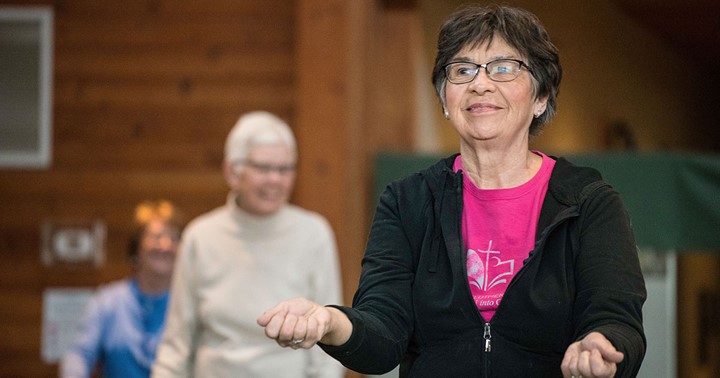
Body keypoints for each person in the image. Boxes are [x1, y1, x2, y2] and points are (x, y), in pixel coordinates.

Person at [257, 4, 646, 378]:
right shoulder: (408, 201)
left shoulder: (589, 203)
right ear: (445, 100)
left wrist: (600, 345)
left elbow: (618, 322)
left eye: (503, 68)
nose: (479, 84)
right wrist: (328, 320)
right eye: (461, 70)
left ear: (541, 98)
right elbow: (383, 334)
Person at [152, 111, 345, 377]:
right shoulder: (201, 236)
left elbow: (328, 340)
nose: (275, 179)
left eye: (285, 169)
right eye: (264, 168)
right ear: (232, 171)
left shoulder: (314, 233)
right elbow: (177, 344)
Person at [60, 200, 185, 378]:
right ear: (136, 247)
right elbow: (80, 353)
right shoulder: (108, 301)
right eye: (156, 237)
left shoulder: (189, 304)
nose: (165, 245)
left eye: (173, 238)